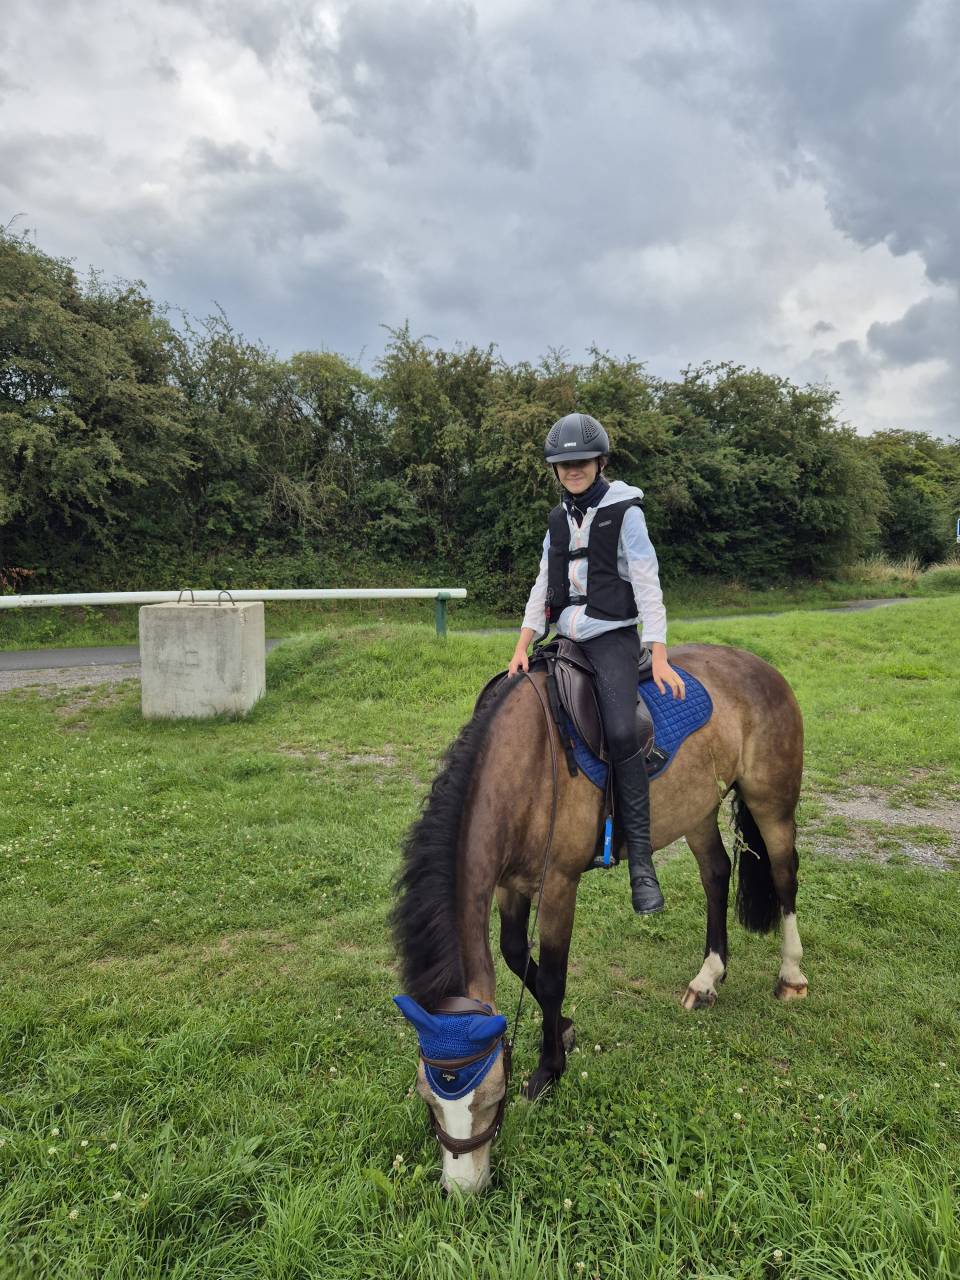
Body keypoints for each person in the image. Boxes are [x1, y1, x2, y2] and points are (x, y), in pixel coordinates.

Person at [507, 412, 685, 914]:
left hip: (611, 638)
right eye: (564, 465)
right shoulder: (556, 521)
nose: (573, 470)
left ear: (600, 462)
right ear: (555, 470)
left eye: (582, 462)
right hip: (566, 639)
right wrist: (523, 644)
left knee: (623, 730)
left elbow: (647, 581)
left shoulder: (625, 511)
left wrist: (658, 651)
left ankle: (641, 863)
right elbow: (542, 583)